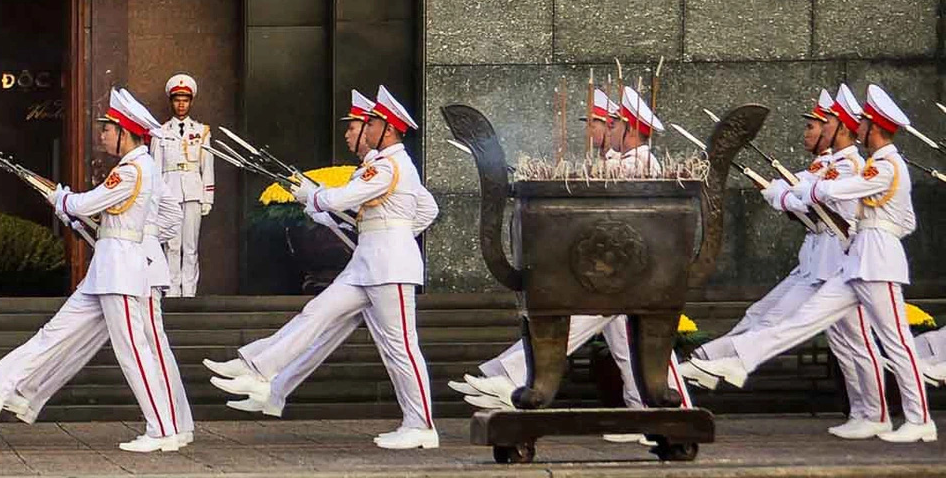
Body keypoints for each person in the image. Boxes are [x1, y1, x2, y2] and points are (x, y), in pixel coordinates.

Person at [631, 89, 889, 440]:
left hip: (843, 261)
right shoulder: (827, 166)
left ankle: (876, 413)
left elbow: (827, 206)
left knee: (858, 343)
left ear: (839, 126)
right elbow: (806, 194)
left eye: (821, 123)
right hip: (818, 263)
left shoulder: (853, 166)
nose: (813, 131)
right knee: (829, 339)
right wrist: (782, 193)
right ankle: (863, 411)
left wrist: (789, 197)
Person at [0, 87, 192, 454]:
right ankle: (3, 388)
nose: (103, 135)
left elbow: (86, 203)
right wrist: (88, 215)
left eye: (108, 129)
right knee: (57, 332)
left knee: (135, 352)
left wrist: (62, 199)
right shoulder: (144, 168)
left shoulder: (130, 172)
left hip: (122, 274)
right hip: (111, 269)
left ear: (125, 131)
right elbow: (131, 215)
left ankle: (163, 429)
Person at [686, 81, 933, 441]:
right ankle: (742, 360)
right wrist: (798, 191)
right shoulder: (875, 165)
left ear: (874, 127)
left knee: (895, 341)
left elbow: (838, 191)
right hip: (857, 259)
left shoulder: (886, 166)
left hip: (879, 261)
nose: (857, 127)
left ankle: (919, 418)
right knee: (804, 319)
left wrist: (804, 190)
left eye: (862, 122)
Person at [455, 83, 692, 436]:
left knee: (576, 321)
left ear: (630, 128)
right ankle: (645, 413)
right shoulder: (622, 162)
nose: (604, 131)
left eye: (612, 124)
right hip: (614, 270)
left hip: (629, 271)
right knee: (627, 348)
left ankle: (511, 374)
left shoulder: (638, 163)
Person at [210, 85, 438, 451]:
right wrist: (384, 227)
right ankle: (259, 367)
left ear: (388, 128)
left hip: (389, 267)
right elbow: (423, 210)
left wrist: (313, 196)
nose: (367, 128)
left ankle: (422, 425)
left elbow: (341, 198)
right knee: (315, 312)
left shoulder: (390, 166)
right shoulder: (389, 167)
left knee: (401, 348)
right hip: (369, 261)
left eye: (373, 123)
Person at [154, 74, 214, 298]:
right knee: (171, 245)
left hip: (193, 192)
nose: (181, 104)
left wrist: (207, 198)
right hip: (169, 193)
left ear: (191, 102)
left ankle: (189, 292)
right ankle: (170, 291)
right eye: (177, 99)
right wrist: (157, 199)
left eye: (185, 100)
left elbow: (207, 166)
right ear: (171, 101)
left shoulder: (201, 131)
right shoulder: (160, 132)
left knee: (190, 247)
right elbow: (156, 170)